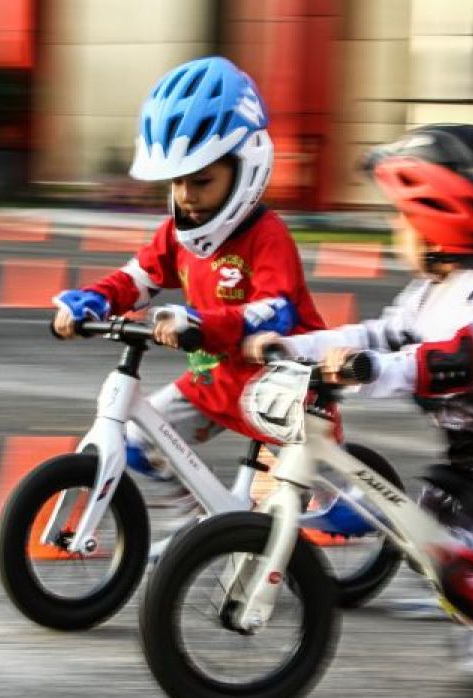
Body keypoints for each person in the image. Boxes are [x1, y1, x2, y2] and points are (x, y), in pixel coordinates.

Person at [245, 124, 473, 698]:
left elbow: (455, 362)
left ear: (444, 225)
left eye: (403, 218)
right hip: (472, 452)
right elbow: (374, 336)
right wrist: (293, 345)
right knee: (429, 546)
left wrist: (374, 372)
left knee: (460, 566)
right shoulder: (431, 292)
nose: (396, 230)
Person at [51, 56, 326, 521]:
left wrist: (200, 322)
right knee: (139, 444)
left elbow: (275, 311)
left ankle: (355, 511)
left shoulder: (267, 235)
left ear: (246, 169)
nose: (185, 195)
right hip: (214, 382)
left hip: (282, 383)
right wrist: (92, 300)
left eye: (200, 181)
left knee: (300, 503)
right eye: (177, 181)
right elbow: (136, 280)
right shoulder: (175, 235)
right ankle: (205, 518)